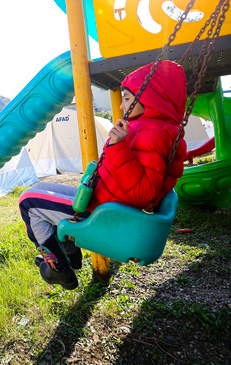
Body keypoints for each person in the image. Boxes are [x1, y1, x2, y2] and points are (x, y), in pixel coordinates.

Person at [18, 60, 188, 290]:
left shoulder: (155, 133)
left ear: (149, 97)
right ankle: (69, 251)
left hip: (105, 213)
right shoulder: (149, 127)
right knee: (37, 189)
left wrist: (118, 145)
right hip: (104, 199)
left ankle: (59, 268)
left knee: (28, 202)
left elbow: (143, 192)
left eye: (127, 98)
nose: (121, 105)